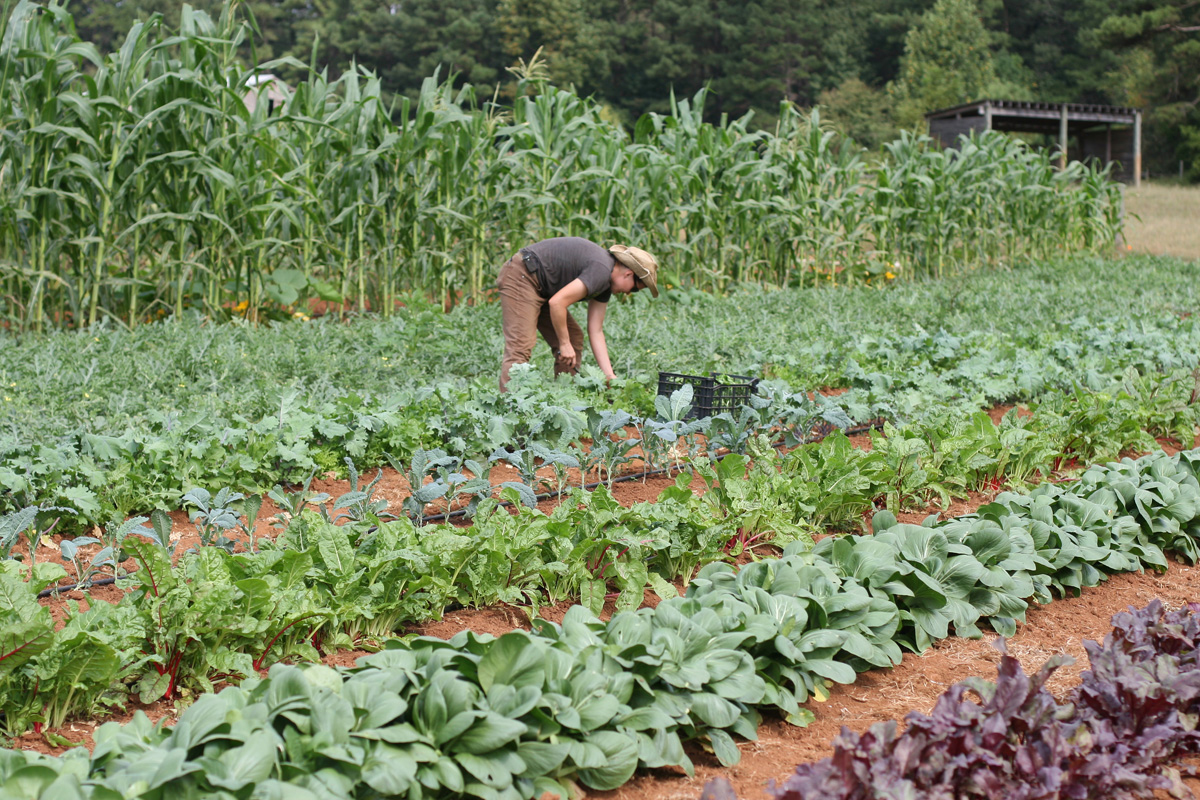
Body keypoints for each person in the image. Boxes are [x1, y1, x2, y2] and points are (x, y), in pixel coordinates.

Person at [497, 237, 659, 391]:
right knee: (520, 347)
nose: (630, 293)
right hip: (522, 276)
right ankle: (511, 408)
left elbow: (596, 330)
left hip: (542, 286)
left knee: (574, 338)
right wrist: (564, 343)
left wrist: (609, 375)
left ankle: (563, 397)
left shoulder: (606, 283)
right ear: (628, 274)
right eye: (635, 289)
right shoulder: (601, 271)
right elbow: (558, 303)